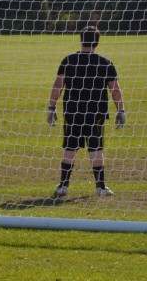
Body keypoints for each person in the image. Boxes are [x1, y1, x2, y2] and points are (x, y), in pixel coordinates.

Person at [47, 26, 126, 198]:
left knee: (70, 147)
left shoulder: (68, 60)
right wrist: (121, 110)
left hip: (72, 112)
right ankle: (100, 187)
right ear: (97, 42)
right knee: (96, 148)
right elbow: (115, 89)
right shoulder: (105, 63)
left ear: (81, 39)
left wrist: (51, 107)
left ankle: (63, 186)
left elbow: (58, 85)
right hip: (95, 113)